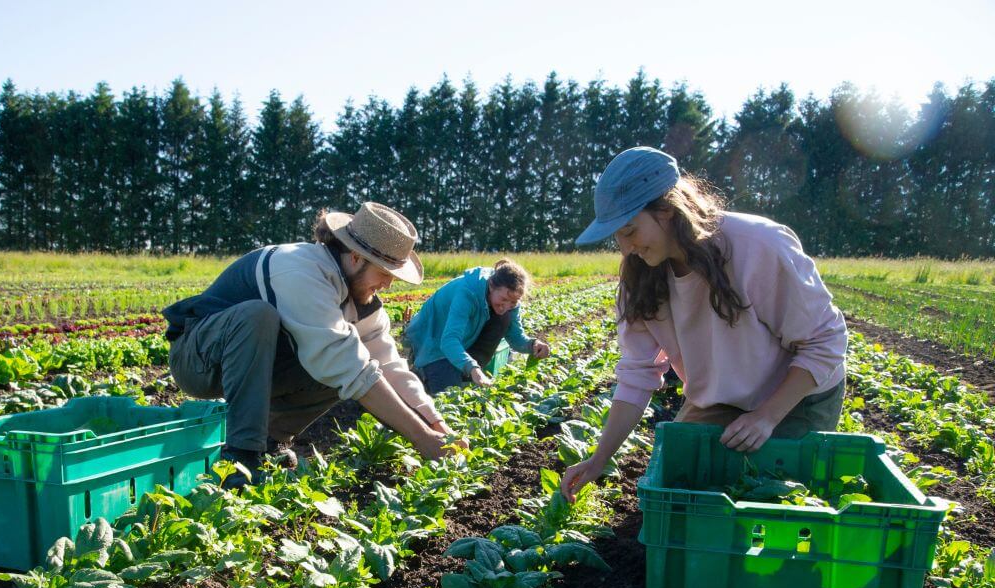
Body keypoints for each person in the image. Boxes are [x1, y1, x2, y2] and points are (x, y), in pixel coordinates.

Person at [561, 146, 847, 501]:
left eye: (630, 230)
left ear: (666, 210)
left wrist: (766, 416)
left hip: (797, 394)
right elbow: (637, 374)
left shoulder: (757, 246)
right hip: (720, 395)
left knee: (772, 496)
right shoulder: (639, 279)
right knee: (682, 492)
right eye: (617, 236)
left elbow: (826, 341)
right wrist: (599, 458)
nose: (625, 247)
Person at [163, 201, 460, 488]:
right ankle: (241, 457)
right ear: (355, 257)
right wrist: (420, 439)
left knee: (352, 363)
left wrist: (434, 423)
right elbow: (346, 363)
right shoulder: (299, 268)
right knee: (262, 318)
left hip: (255, 364)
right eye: (384, 273)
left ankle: (270, 439)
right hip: (198, 358)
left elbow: (389, 365)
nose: (388, 285)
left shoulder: (363, 302)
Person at [403, 259, 551, 395]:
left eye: (513, 302)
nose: (507, 306)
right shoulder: (467, 293)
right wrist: (473, 368)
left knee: (503, 318)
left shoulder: (510, 302)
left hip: (459, 340)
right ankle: (422, 370)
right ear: (492, 286)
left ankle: (465, 371)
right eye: (504, 299)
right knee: (448, 397)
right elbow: (449, 340)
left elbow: (516, 337)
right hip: (431, 342)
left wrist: (533, 345)